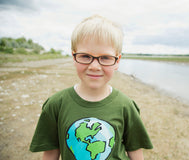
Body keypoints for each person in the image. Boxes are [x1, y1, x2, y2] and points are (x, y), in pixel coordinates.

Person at [29, 15, 153, 160]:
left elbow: (135, 151)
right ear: (74, 57)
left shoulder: (126, 106)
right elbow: (50, 154)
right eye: (85, 56)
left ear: (117, 61)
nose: (94, 66)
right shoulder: (56, 105)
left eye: (105, 58)